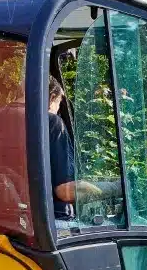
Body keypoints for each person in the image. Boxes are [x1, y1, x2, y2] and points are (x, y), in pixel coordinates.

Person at [47, 76, 121, 225]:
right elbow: (66, 191)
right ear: (51, 97)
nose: (58, 111)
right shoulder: (51, 122)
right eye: (59, 104)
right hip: (51, 225)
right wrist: (117, 187)